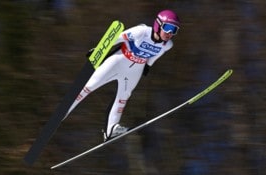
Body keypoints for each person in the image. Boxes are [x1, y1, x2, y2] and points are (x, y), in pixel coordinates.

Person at [66, 9, 180, 141]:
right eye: (168, 27)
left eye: (174, 30)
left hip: (135, 69)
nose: (169, 33)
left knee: (123, 97)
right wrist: (99, 49)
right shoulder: (142, 32)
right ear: (158, 24)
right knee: (89, 86)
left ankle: (111, 128)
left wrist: (148, 65)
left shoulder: (168, 45)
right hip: (119, 61)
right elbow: (118, 37)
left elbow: (156, 55)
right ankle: (65, 110)